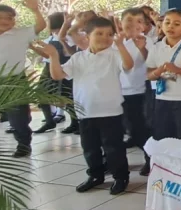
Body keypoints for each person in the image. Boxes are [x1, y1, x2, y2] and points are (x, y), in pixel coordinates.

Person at [37, 17, 134, 194]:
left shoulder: (114, 55)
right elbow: (58, 75)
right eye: (99, 33)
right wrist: (53, 56)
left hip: (110, 112)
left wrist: (120, 45)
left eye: (110, 34)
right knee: (90, 148)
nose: (105, 37)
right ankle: (95, 175)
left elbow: (128, 65)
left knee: (114, 148)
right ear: (87, 35)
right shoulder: (78, 57)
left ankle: (121, 177)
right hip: (85, 113)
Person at [0, 0, 46, 157]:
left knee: (19, 119)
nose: (4, 21)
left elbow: (41, 25)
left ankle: (23, 144)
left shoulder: (21, 33)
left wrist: (35, 10)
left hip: (15, 81)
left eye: (9, 18)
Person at [146, 9, 181, 154]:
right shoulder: (156, 47)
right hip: (161, 97)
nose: (170, 26)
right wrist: (157, 72)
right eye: (167, 22)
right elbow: (148, 74)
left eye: (176, 24)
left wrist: (178, 70)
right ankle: (166, 169)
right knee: (162, 135)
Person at [118, 8, 152, 176]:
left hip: (138, 91)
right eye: (129, 21)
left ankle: (151, 159)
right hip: (116, 92)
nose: (133, 25)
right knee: (122, 130)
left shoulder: (146, 41)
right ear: (121, 23)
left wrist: (142, 48)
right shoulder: (115, 41)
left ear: (144, 25)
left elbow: (152, 62)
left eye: (138, 21)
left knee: (141, 129)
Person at [33, 12, 70, 134]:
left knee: (68, 96)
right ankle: (49, 121)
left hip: (64, 68)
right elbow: (47, 54)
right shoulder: (51, 37)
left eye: (48, 22)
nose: (47, 25)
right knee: (41, 94)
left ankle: (74, 123)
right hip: (48, 69)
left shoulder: (67, 36)